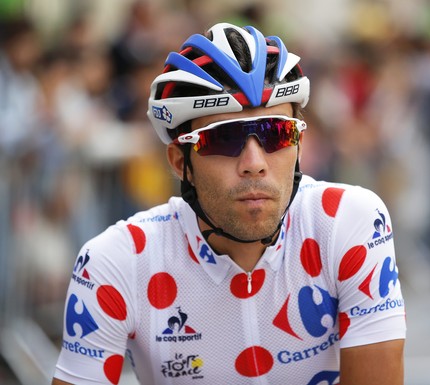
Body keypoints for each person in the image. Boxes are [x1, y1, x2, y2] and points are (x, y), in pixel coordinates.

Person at [52, 22, 406, 385]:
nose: (255, 162)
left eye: (277, 133)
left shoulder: (347, 222)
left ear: (300, 144)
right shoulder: (118, 261)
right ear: (179, 163)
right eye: (222, 139)